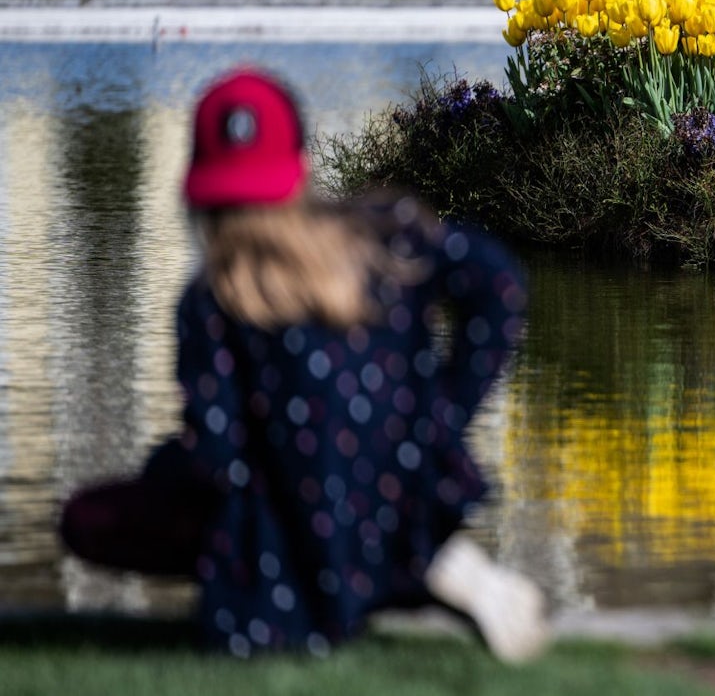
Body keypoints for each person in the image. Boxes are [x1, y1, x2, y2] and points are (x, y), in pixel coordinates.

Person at [59, 66, 549, 662]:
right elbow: (499, 283)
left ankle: (360, 578)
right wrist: (440, 420)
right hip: (399, 502)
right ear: (303, 167)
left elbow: (217, 454)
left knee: (91, 518)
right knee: (344, 503)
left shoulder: (213, 302)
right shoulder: (383, 240)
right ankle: (420, 567)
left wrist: (168, 466)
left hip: (285, 532)